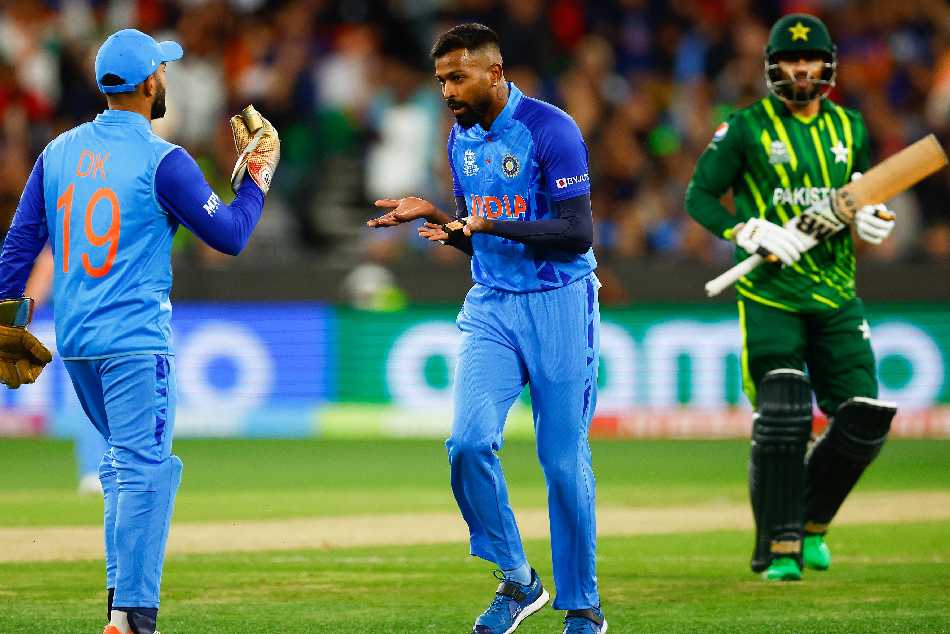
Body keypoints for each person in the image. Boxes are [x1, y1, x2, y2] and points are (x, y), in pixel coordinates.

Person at [0, 28, 279, 634]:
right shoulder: (164, 160)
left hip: (77, 343)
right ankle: (133, 617)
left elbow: (19, 245)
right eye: (163, 71)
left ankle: (117, 609)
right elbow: (230, 235)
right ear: (151, 83)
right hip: (134, 342)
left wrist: (4, 321)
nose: (165, 78)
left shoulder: (58, 151)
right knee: (147, 471)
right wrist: (256, 179)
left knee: (120, 468)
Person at [368, 23, 606, 634]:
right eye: (441, 80)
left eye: (458, 77)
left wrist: (486, 225)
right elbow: (477, 238)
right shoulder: (460, 138)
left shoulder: (551, 129)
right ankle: (519, 580)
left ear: (495, 72)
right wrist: (440, 219)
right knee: (468, 444)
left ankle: (583, 607)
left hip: (559, 303)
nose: (447, 91)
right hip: (493, 306)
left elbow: (577, 232)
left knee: (562, 462)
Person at [685, 13, 898, 581]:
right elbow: (699, 196)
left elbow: (863, 190)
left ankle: (811, 524)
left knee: (865, 417)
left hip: (836, 293)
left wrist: (873, 215)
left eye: (809, 59)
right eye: (788, 60)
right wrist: (743, 229)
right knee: (783, 413)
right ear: (771, 67)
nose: (800, 69)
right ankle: (780, 549)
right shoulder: (746, 127)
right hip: (770, 294)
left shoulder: (850, 126)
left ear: (828, 65)